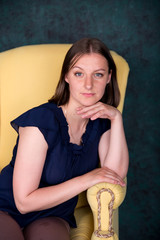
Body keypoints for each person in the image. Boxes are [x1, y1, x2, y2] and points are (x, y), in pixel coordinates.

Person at [0, 38, 129, 240]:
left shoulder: (102, 123)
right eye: (79, 73)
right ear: (67, 76)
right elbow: (24, 203)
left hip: (53, 214)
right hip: (6, 207)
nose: (88, 84)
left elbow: (114, 175)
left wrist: (116, 118)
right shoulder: (41, 120)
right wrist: (87, 179)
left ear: (108, 78)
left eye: (98, 74)